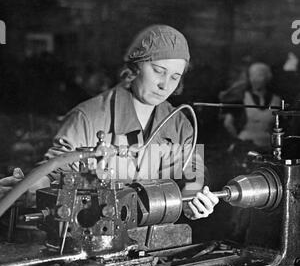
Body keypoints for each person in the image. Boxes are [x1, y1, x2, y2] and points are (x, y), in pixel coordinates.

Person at [31, 25, 218, 220]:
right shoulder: (88, 117)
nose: (164, 85)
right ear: (135, 67)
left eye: (175, 77)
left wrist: (194, 202)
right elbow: (53, 173)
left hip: (157, 240)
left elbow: (195, 178)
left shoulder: (180, 124)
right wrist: (30, 188)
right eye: (158, 70)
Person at [220, 62, 282, 154]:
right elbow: (228, 123)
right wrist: (238, 140)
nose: (254, 79)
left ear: (267, 78)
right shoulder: (242, 97)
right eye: (252, 76)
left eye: (259, 76)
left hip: (269, 147)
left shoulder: (277, 100)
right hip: (245, 146)